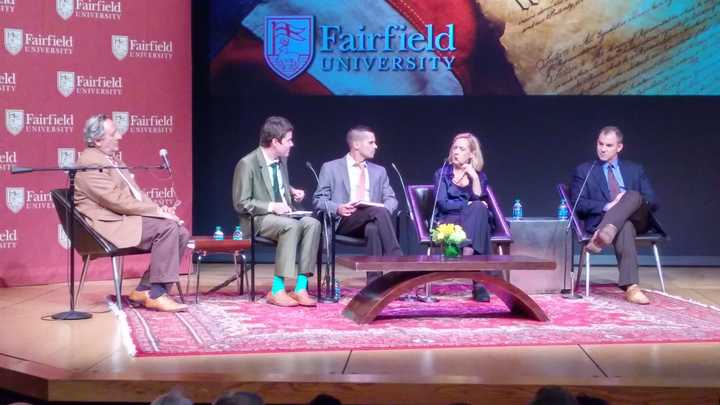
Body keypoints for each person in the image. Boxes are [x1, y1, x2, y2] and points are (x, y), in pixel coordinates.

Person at [74, 114, 189, 312]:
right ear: (97, 140)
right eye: (114, 133)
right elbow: (116, 201)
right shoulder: (90, 163)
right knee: (169, 229)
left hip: (123, 217)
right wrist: (156, 213)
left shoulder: (113, 160)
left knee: (181, 231)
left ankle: (144, 289)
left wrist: (160, 210)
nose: (120, 136)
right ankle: (157, 294)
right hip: (108, 224)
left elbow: (136, 194)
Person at [233, 116, 321, 307]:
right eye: (288, 140)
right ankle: (277, 289)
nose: (292, 144)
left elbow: (273, 184)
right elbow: (241, 203)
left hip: (284, 216)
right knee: (290, 226)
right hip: (259, 219)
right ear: (275, 141)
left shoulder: (281, 162)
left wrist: (291, 191)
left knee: (313, 223)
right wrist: (272, 206)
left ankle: (300, 287)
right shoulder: (247, 164)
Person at [571, 126, 658, 305]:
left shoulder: (635, 169)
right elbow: (578, 205)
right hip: (611, 223)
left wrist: (626, 202)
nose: (602, 149)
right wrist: (607, 206)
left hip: (638, 219)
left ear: (619, 147)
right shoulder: (585, 171)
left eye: (608, 145)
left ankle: (602, 236)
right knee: (624, 226)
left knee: (632, 195)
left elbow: (653, 201)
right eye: (600, 144)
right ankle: (632, 287)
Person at [312, 125, 402, 284]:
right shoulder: (331, 167)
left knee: (374, 227)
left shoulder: (379, 171)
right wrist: (338, 208)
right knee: (378, 213)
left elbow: (391, 199)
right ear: (356, 145)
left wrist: (383, 210)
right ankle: (399, 261)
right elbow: (318, 200)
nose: (376, 146)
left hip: (371, 220)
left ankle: (375, 284)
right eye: (371, 142)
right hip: (344, 220)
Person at [433, 133, 497, 302]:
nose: (456, 152)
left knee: (478, 209)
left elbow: (478, 198)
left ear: (471, 155)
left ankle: (467, 255)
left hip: (472, 221)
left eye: (462, 149)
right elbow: (443, 204)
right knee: (478, 212)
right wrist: (466, 205)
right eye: (454, 148)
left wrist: (474, 177)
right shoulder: (442, 174)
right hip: (449, 221)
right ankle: (478, 281)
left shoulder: (479, 176)